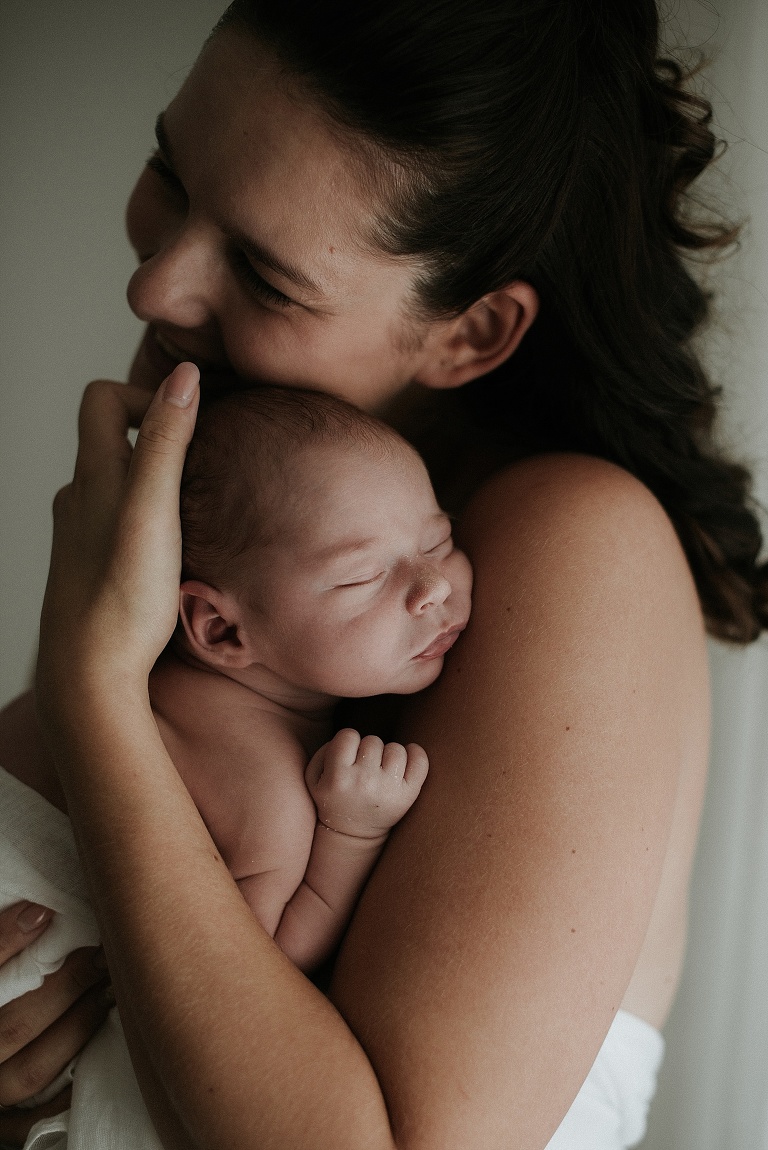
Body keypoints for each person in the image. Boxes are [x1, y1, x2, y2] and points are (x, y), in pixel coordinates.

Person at [0, 2, 766, 1148]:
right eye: (170, 171)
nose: (153, 289)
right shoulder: (228, 541)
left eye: (265, 274)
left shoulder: (573, 538)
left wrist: (93, 689)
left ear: (473, 331)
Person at [0, 383, 470, 1147]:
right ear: (220, 629)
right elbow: (255, 965)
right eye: (362, 577)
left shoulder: (138, 667)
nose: (434, 587)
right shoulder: (265, 786)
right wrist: (352, 835)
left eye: (440, 541)